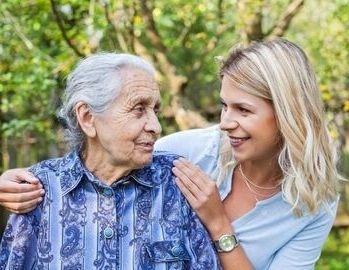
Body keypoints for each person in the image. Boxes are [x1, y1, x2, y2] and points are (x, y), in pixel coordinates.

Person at [0, 39, 340, 269]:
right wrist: (14, 182)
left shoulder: (316, 202)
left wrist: (219, 223)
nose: (225, 123)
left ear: (287, 114)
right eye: (224, 106)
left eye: (243, 110)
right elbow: (101, 159)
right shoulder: (188, 152)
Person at [0, 53, 222, 269]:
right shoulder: (39, 190)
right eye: (138, 109)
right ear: (87, 118)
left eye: (155, 111)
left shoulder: (178, 182)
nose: (156, 126)